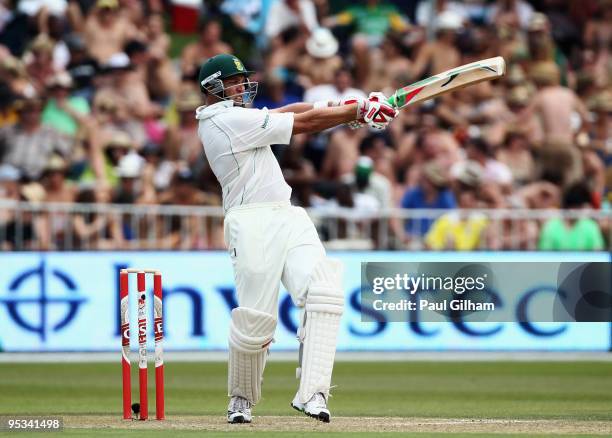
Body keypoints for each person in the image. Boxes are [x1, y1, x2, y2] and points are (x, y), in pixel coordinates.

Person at [195, 53, 397, 423]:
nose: (243, 86)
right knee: (256, 318)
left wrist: (346, 105)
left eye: (244, 80)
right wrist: (358, 111)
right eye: (235, 81)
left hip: (288, 215)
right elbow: (303, 123)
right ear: (213, 87)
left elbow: (291, 108)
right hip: (250, 220)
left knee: (325, 292)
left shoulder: (242, 116)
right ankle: (241, 399)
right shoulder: (221, 121)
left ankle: (314, 394)